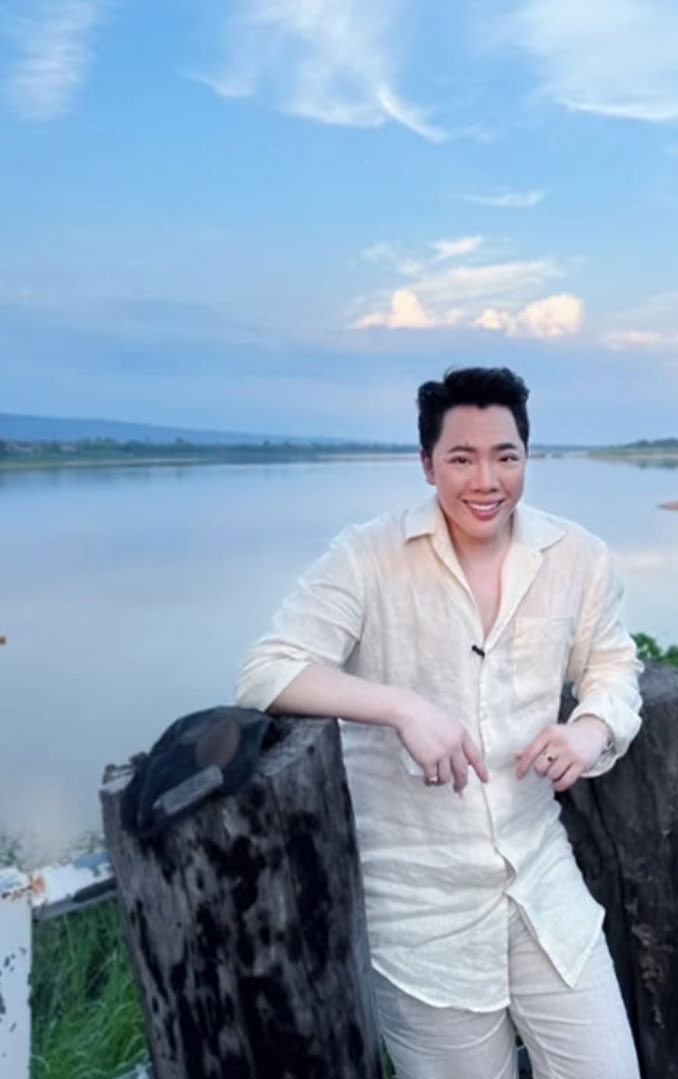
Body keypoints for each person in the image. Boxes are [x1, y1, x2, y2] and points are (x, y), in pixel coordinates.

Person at [236, 366, 642, 1079]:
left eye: (505, 456)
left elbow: (612, 663)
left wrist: (591, 729)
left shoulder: (576, 555)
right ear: (427, 464)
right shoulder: (367, 556)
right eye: (462, 458)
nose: (486, 480)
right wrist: (402, 706)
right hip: (419, 909)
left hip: (543, 880)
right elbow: (267, 672)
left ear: (527, 455)